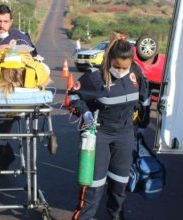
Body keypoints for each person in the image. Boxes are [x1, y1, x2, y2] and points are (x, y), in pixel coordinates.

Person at [69, 33, 150, 220]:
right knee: (93, 188)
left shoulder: (135, 73)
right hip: (100, 134)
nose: (120, 71)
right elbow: (74, 95)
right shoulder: (96, 78)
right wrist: (85, 112)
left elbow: (144, 98)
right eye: (117, 67)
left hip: (125, 134)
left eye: (125, 67)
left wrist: (143, 126)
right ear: (109, 61)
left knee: (119, 186)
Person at [0, 4, 41, 170]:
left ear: (11, 22)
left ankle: (1, 157)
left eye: (5, 21)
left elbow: (34, 61)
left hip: (14, 92)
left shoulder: (21, 37)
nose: (1, 25)